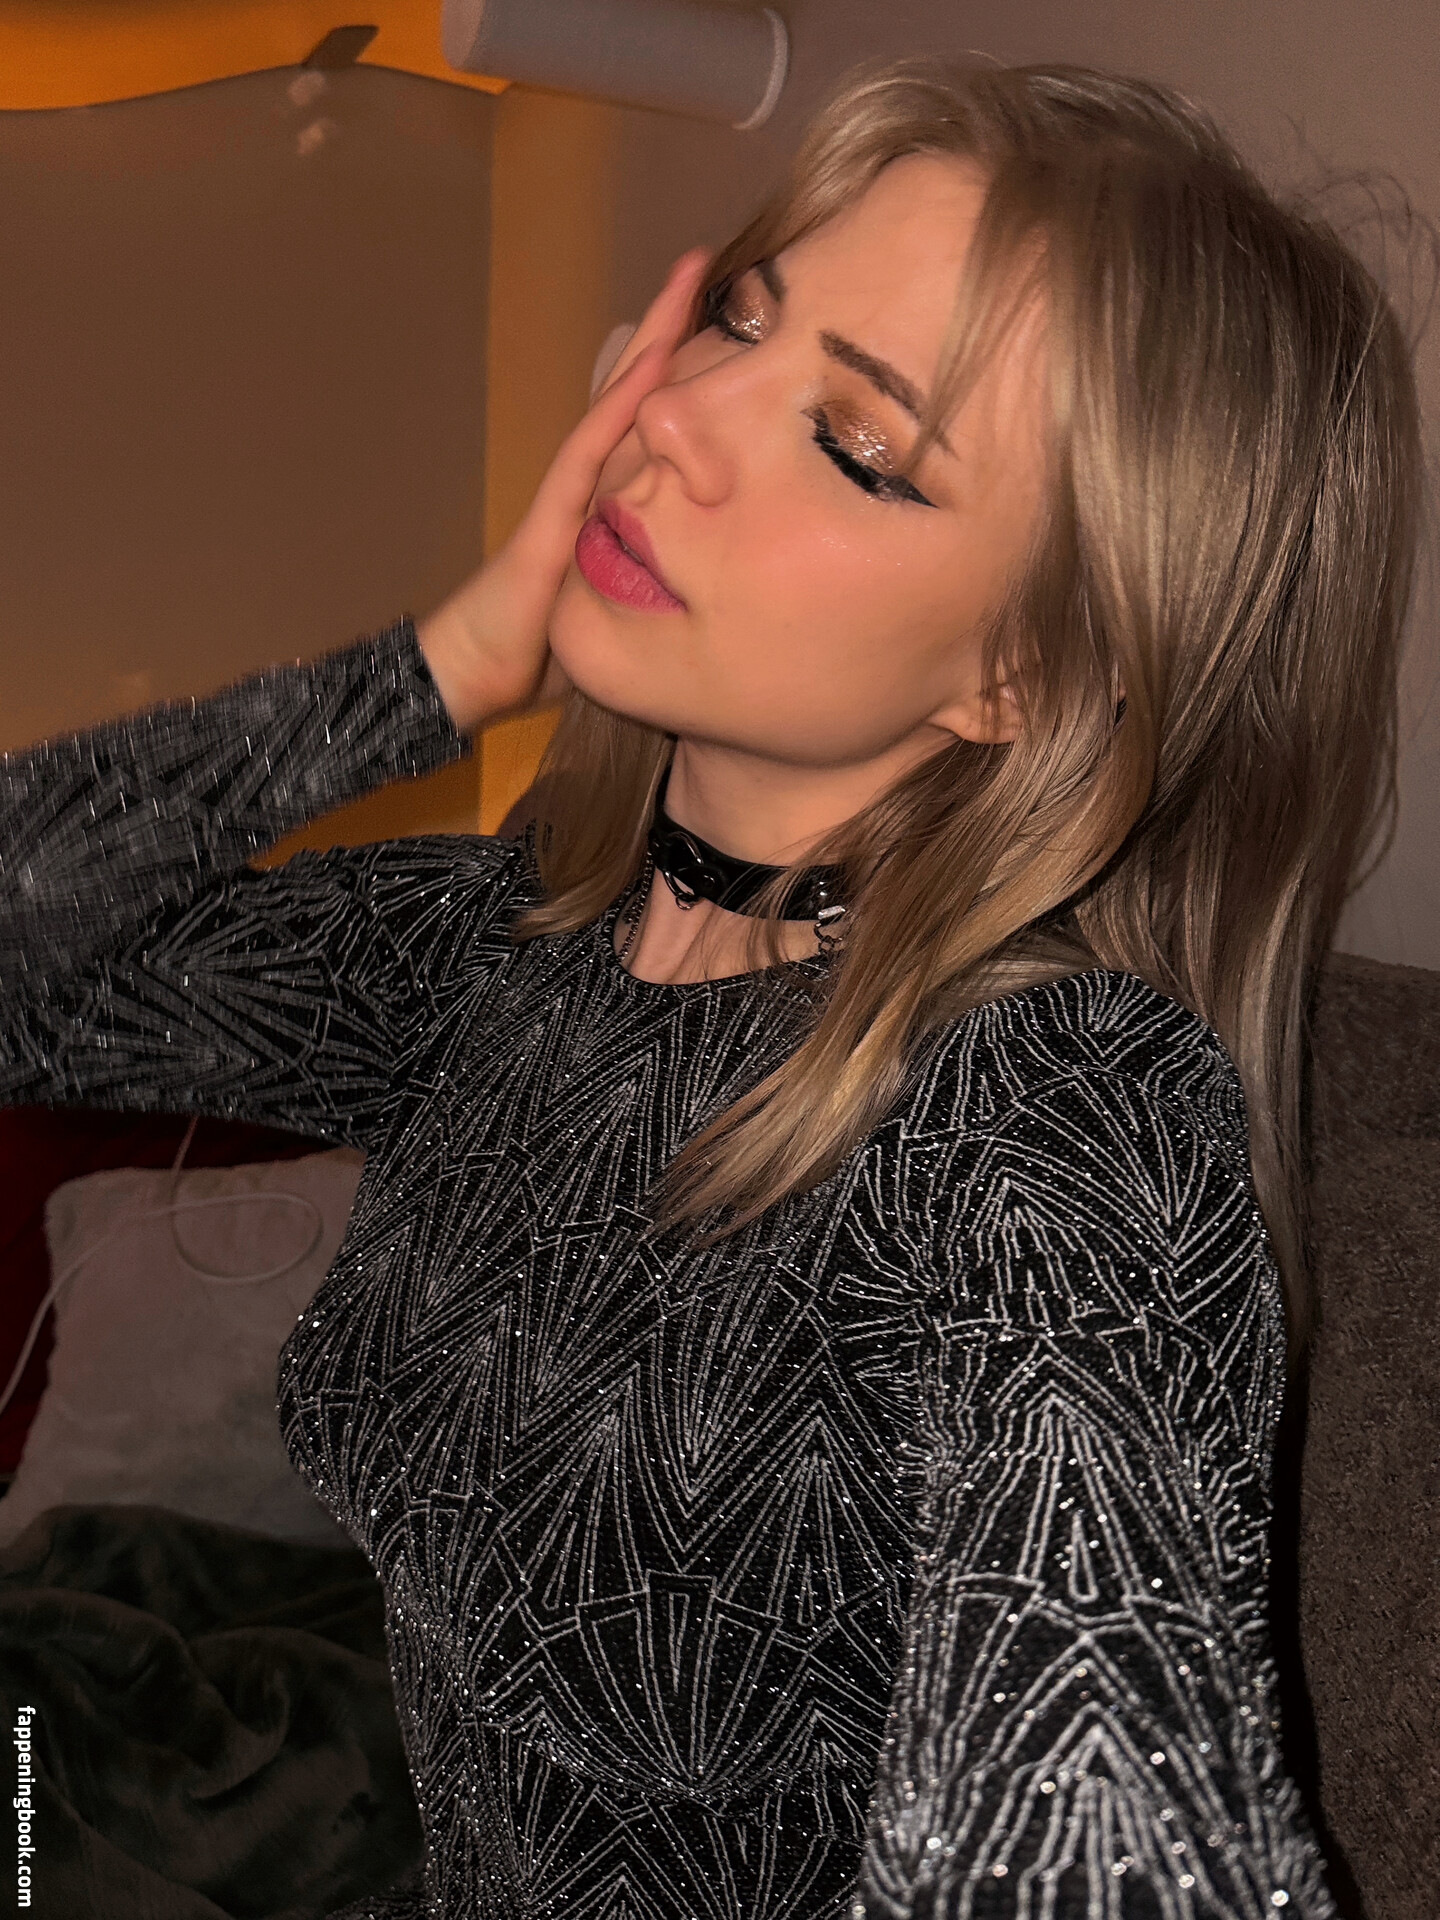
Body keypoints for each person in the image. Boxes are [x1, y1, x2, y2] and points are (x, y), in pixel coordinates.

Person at [0, 56, 1421, 1920]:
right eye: (737, 319)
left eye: (859, 444)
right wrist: (437, 669)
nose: (669, 414)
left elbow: (1103, 1789)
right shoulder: (504, 950)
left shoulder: (1057, 1103)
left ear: (1029, 676)